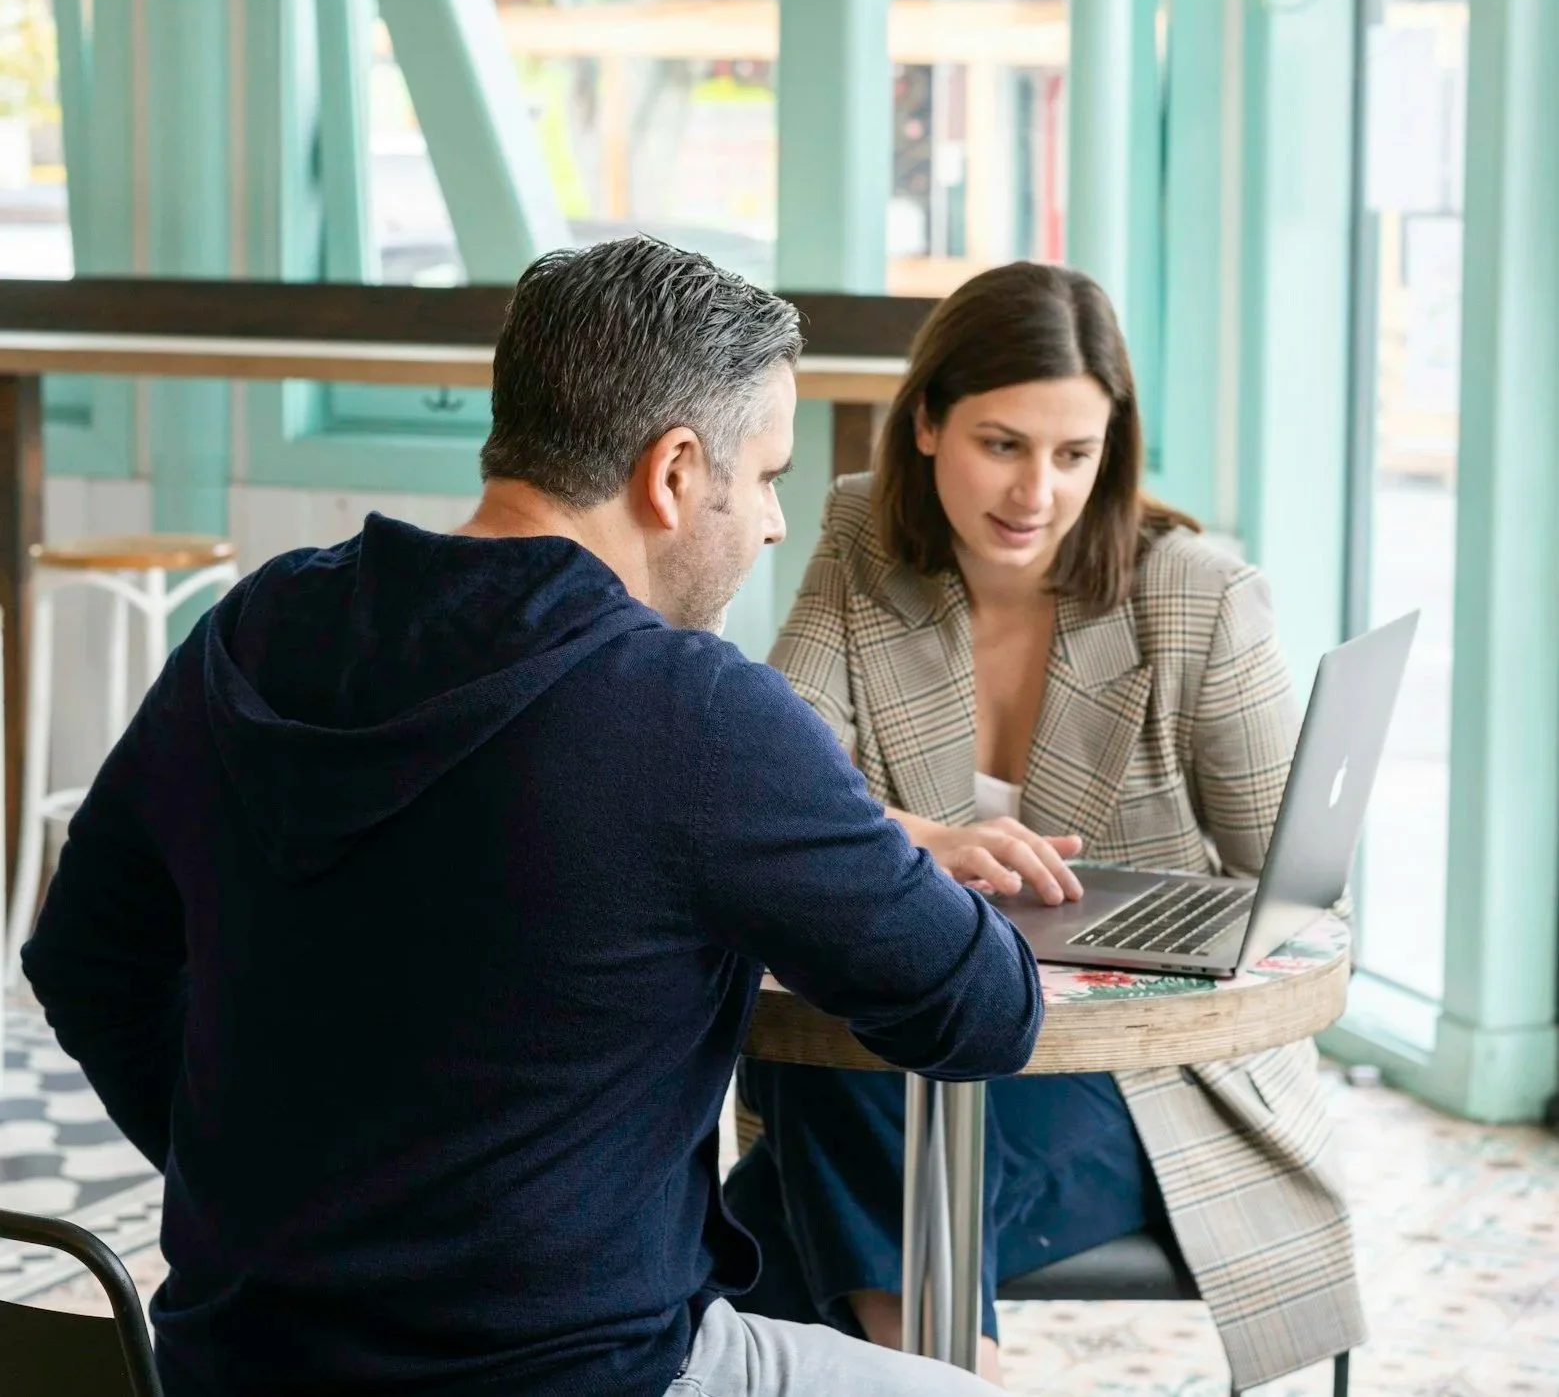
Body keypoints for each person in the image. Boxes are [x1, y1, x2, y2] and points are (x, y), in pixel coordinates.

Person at [21, 237, 1043, 1397]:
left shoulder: (254, 630)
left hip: (237, 1364)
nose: (770, 523)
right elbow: (982, 1009)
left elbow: (84, 955)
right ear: (670, 473)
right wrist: (863, 830)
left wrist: (261, 1197)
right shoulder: (694, 714)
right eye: (763, 476)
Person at [724, 262, 1364, 1392]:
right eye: (1003, 443)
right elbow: (778, 783)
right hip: (921, 1046)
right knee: (845, 1094)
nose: (1037, 492)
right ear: (925, 423)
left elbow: (1302, 893)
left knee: (753, 1215)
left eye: (1075, 454)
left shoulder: (1196, 596)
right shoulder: (863, 536)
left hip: (1140, 1079)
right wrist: (914, 834)